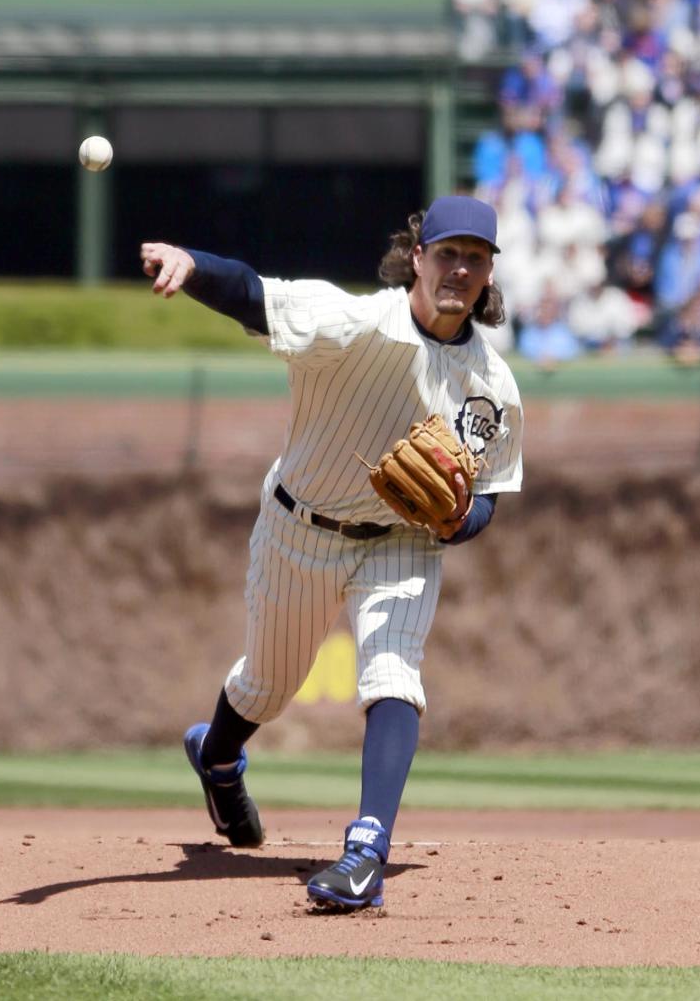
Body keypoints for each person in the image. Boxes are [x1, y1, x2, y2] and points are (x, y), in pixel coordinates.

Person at [140, 195, 524, 912]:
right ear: (417, 257)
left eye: (476, 257)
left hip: (403, 543)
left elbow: (491, 495)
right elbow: (254, 295)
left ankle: (366, 850)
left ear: (489, 274)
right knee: (268, 684)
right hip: (301, 526)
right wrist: (192, 268)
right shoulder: (350, 323)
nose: (461, 268)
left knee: (393, 670)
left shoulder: (492, 384)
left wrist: (459, 519)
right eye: (448, 253)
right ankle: (218, 757)